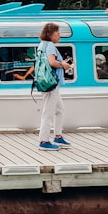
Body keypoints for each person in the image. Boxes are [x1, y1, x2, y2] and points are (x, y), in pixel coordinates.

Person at [37, 22, 72, 150]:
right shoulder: (50, 45)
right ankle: (43, 141)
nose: (60, 36)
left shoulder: (42, 45)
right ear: (50, 34)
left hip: (47, 82)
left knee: (59, 110)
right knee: (48, 112)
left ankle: (58, 136)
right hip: (52, 84)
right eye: (58, 33)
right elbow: (52, 62)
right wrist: (64, 64)